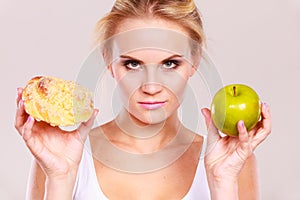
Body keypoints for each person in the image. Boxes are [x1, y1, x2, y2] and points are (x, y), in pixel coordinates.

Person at [15, 0, 271, 199]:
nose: (151, 87)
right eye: (133, 64)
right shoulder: (62, 157)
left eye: (170, 63)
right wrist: (61, 178)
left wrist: (222, 182)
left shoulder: (232, 163)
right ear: (108, 61)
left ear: (194, 61)